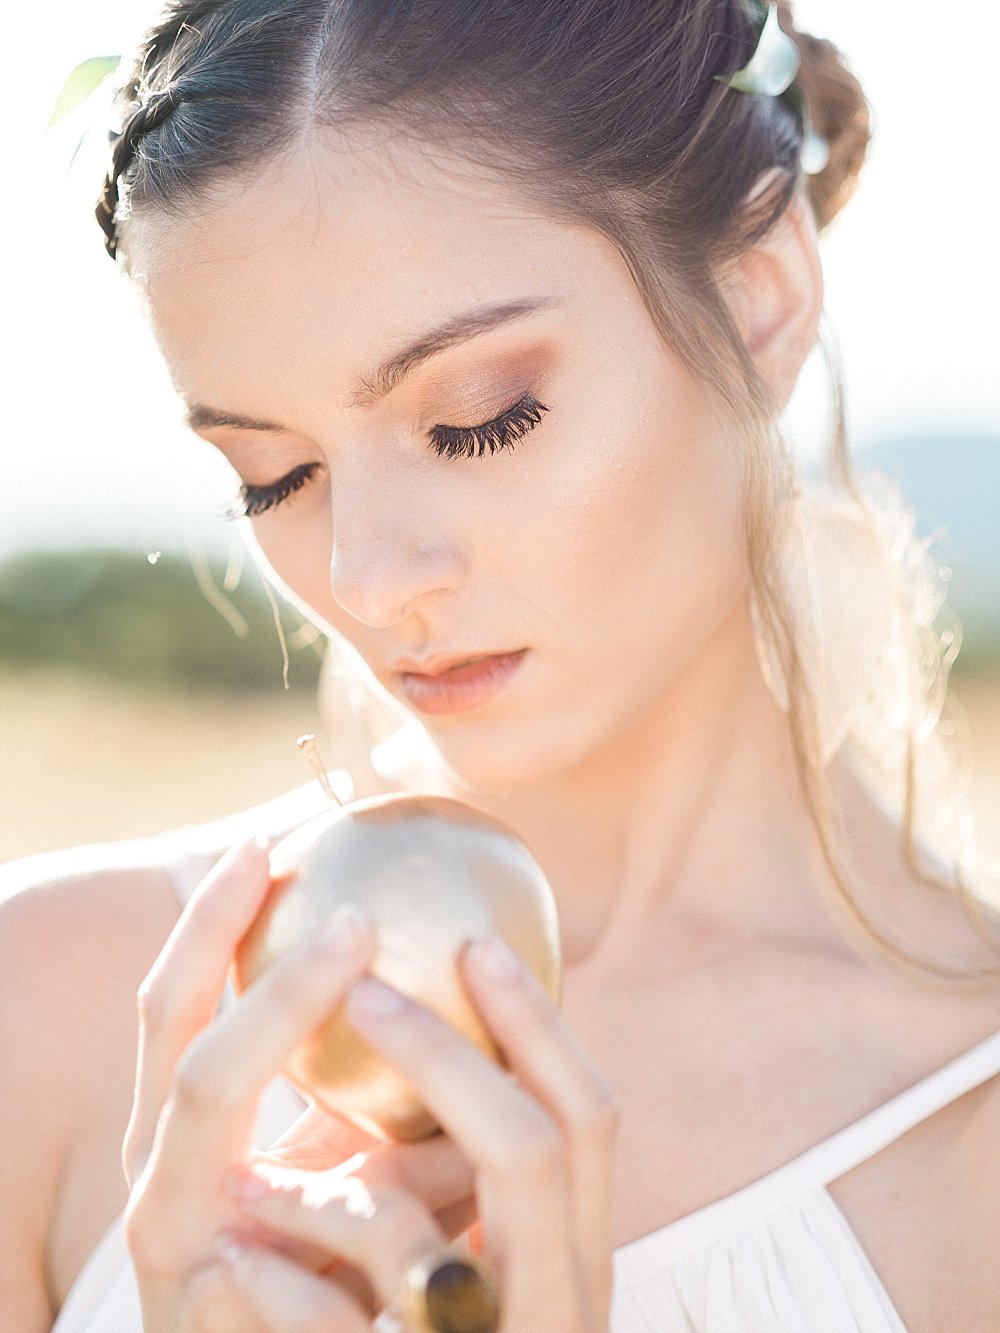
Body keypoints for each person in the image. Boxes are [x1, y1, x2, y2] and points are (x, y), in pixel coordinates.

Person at [2, 1, 998, 1330]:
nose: (363, 574)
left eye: (479, 418)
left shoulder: (966, 1138)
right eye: (273, 475)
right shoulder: (51, 1012)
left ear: (760, 303)